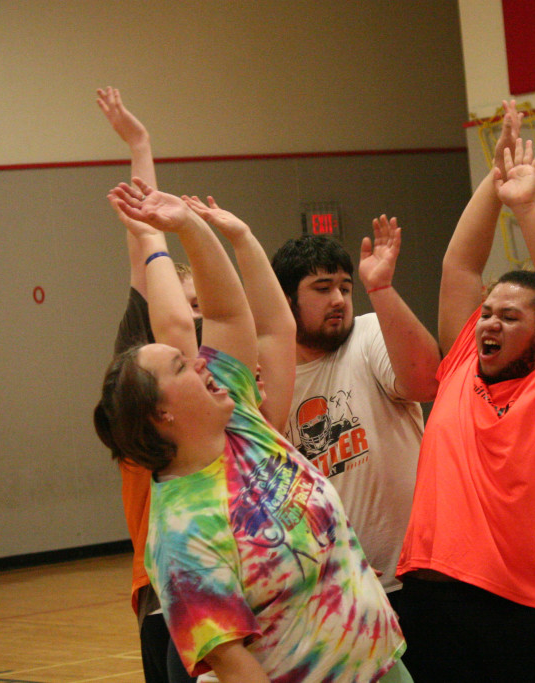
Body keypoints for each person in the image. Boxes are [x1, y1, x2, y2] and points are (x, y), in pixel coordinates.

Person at [95, 179, 407, 682]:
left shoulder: (238, 422)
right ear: (161, 414)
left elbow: (228, 312)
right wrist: (153, 240)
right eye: (181, 366)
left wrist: (189, 225)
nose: (200, 364)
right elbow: (234, 665)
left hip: (382, 666)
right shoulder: (181, 532)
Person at [395, 108, 535, 682]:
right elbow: (460, 263)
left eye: (509, 317)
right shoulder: (460, 365)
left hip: (525, 612)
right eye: (486, 313)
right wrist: (495, 179)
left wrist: (528, 208)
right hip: (432, 603)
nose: (488, 324)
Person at [270, 220, 438, 607]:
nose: (339, 300)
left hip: (416, 578)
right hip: (332, 589)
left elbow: (426, 383)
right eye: (322, 288)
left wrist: (381, 289)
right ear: (285, 298)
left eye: (345, 288)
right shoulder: (273, 379)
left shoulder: (369, 332)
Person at [96, 85, 197, 683]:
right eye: (179, 304)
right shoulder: (139, 397)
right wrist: (141, 144)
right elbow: (144, 253)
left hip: (233, 586)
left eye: (194, 308)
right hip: (163, 591)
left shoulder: (219, 391)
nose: (186, 318)